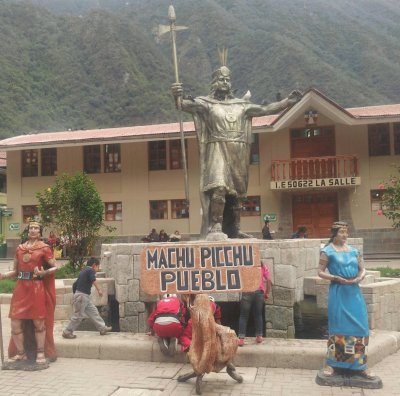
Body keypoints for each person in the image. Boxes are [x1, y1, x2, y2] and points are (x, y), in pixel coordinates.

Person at [172, 53, 301, 240]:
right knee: (219, 186)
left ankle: (234, 229)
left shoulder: (242, 105)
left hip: (238, 151)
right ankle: (215, 226)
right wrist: (176, 95)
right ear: (214, 83)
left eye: (227, 79)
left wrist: (287, 102)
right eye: (220, 79)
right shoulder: (206, 103)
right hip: (217, 148)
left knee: (236, 193)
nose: (224, 82)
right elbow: (182, 105)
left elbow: (266, 109)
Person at [318, 221, 376, 379]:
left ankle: (361, 365)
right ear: (334, 233)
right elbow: (320, 272)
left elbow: (362, 269)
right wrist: (335, 277)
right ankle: (332, 363)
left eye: (346, 232)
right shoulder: (327, 251)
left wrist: (360, 277)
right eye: (342, 232)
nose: (345, 235)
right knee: (338, 327)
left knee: (361, 327)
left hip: (354, 292)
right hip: (338, 291)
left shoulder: (354, 251)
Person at [0, 220, 57, 364]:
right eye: (31, 228)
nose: (33, 230)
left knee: (38, 322)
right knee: (15, 323)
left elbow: (55, 267)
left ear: (40, 232)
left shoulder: (44, 248)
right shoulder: (19, 248)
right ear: (27, 230)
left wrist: (44, 273)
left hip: (36, 287)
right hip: (21, 288)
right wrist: (4, 275)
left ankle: (40, 353)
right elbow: (15, 270)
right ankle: (21, 353)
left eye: (36, 228)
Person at [62, 257, 112, 339]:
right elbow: (93, 279)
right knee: (78, 316)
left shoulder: (83, 271)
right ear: (94, 265)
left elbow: (75, 284)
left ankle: (102, 328)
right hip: (82, 296)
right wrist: (99, 289)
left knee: (94, 311)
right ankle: (67, 332)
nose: (97, 269)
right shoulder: (90, 270)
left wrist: (76, 294)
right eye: (98, 267)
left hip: (83, 296)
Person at [237, 263, 271, 346]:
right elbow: (268, 280)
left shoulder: (244, 265)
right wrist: (266, 293)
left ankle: (241, 339)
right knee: (258, 315)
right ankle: (259, 336)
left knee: (243, 316)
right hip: (259, 292)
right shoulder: (263, 266)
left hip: (247, 292)